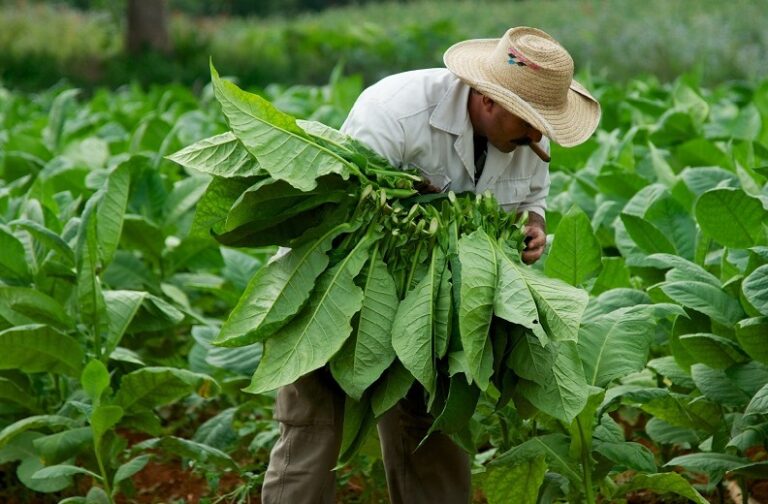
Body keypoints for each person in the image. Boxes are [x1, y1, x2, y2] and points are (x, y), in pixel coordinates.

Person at [260, 26, 601, 504]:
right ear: (487, 100)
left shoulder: (528, 138)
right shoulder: (395, 111)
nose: (539, 135)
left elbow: (532, 199)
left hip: (436, 306)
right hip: (335, 288)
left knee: (432, 434)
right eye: (529, 122)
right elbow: (347, 214)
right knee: (312, 428)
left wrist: (533, 228)